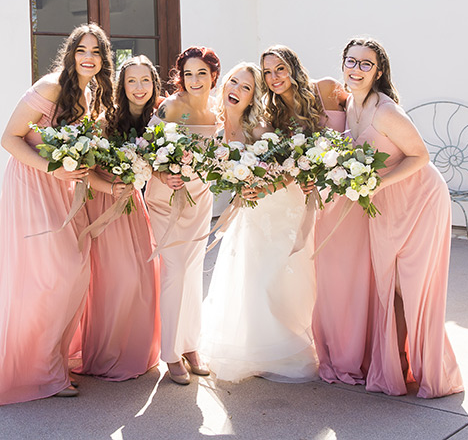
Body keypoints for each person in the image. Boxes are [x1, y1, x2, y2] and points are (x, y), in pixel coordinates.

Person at [0, 23, 114, 405]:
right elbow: (9, 139)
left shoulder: (92, 95)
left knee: (75, 273)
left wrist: (113, 184)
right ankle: (35, 372)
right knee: (53, 275)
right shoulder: (50, 87)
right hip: (33, 186)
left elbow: (85, 157)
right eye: (81, 50)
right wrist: (56, 170)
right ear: (70, 54)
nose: (88, 57)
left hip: (67, 191)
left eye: (96, 52)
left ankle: (52, 361)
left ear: (104, 59)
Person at [341, 36, 463, 399]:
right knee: (388, 285)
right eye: (351, 61)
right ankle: (396, 365)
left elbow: (420, 156)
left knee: (414, 287)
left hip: (419, 199)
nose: (357, 69)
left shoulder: (385, 111)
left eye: (366, 64)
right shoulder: (348, 103)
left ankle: (432, 371)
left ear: (378, 71)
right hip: (385, 205)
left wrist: (377, 184)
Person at [260, 45, 373, 386]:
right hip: (317, 199)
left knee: (355, 270)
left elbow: (361, 115)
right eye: (267, 72)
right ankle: (332, 348)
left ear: (294, 66)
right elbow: (290, 164)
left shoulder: (326, 88)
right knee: (323, 273)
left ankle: (363, 350)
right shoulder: (277, 115)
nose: (274, 77)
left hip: (350, 189)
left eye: (279, 68)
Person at [200, 62, 319, 382]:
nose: (236, 90)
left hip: (277, 206)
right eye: (233, 82)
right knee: (249, 277)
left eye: (246, 87)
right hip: (249, 211)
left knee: (272, 277)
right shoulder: (213, 126)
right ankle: (254, 348)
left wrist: (262, 185)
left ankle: (280, 348)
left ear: (254, 98)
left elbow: (290, 167)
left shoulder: (260, 129)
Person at [74, 56, 162, 380]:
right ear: (121, 86)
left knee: (144, 277)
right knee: (117, 279)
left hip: (133, 204)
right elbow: (84, 174)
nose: (139, 88)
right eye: (131, 81)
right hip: (104, 203)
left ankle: (137, 352)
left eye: (145, 81)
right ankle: (107, 354)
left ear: (154, 85)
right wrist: (113, 187)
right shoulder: (105, 121)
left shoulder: (157, 121)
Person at [144, 46, 221, 385]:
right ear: (180, 76)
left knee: (192, 273)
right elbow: (146, 148)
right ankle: (171, 354)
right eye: (188, 74)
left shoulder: (217, 111)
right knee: (174, 271)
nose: (194, 80)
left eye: (201, 73)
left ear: (213, 76)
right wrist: (162, 175)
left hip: (200, 199)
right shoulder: (171, 106)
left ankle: (190, 346)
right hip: (166, 199)